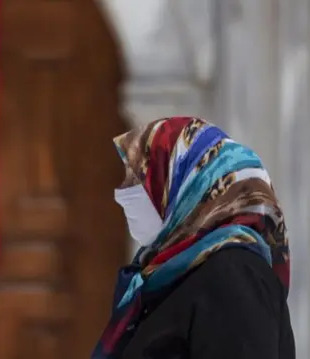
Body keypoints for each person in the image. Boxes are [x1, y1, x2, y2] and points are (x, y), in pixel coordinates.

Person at [92, 117, 295, 359]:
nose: (121, 193)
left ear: (187, 184)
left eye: (137, 179)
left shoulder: (233, 275)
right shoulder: (170, 274)